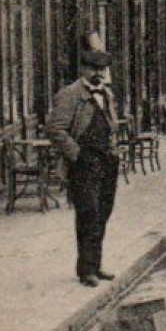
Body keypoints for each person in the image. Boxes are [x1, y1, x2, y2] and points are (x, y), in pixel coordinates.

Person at [45, 50, 121, 287]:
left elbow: (111, 126)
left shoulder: (106, 94)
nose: (97, 73)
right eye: (92, 68)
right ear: (83, 70)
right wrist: (77, 155)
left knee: (103, 212)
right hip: (84, 164)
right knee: (88, 213)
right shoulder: (70, 94)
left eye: (101, 69)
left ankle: (96, 265)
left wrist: (113, 149)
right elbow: (55, 129)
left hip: (107, 161)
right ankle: (85, 269)